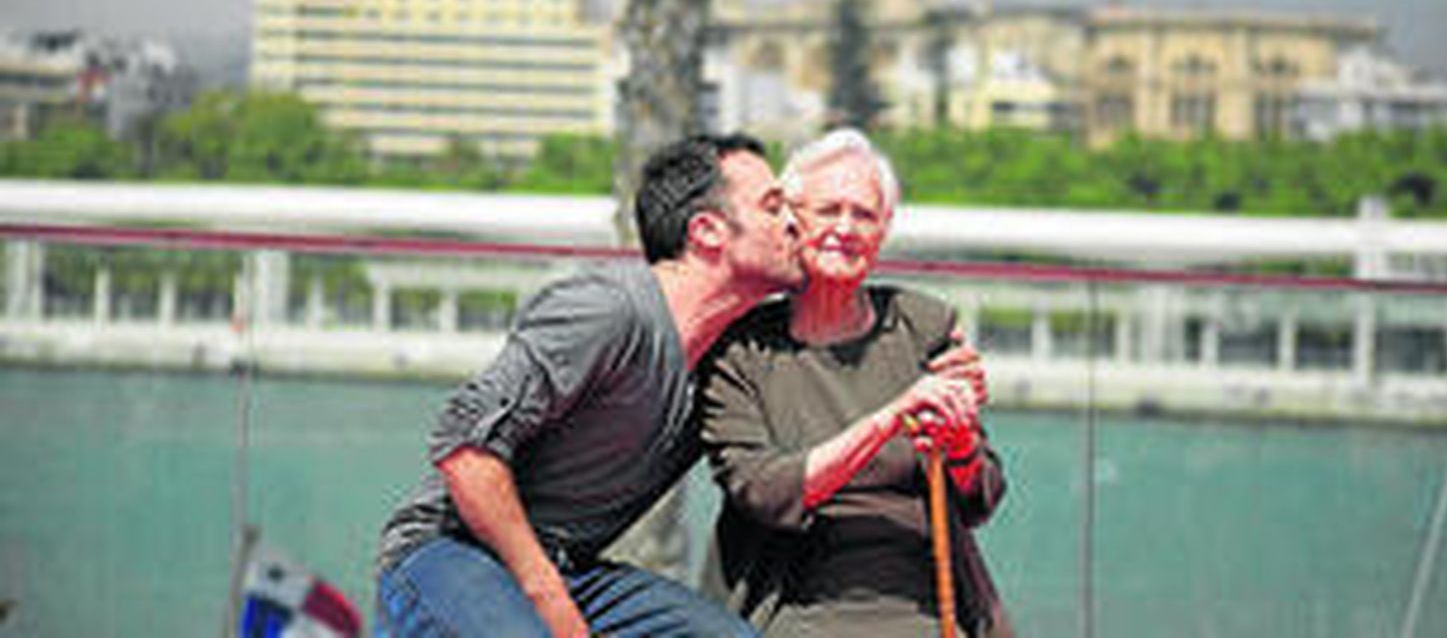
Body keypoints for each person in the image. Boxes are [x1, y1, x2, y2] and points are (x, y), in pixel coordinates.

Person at [374, 133, 803, 637]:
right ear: (707, 231)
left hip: (572, 571)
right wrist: (551, 601)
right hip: (447, 552)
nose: (794, 223)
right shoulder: (607, 310)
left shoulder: (732, 358)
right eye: (773, 208)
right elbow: (464, 449)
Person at [701, 128, 1014, 637]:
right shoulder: (744, 350)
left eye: (864, 215)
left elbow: (981, 498)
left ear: (883, 230)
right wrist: (891, 417)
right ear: (791, 220)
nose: (845, 228)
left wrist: (960, 448)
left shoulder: (922, 326)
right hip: (789, 604)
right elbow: (763, 492)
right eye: (828, 210)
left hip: (921, 601)